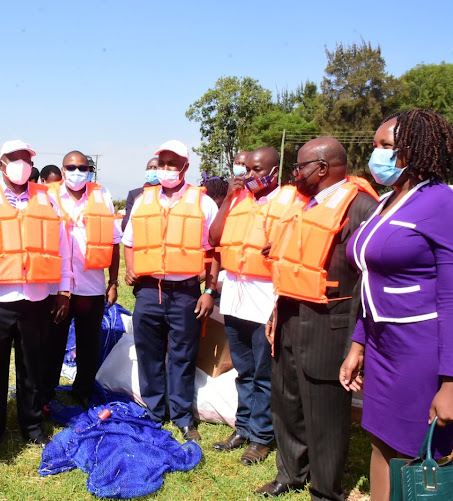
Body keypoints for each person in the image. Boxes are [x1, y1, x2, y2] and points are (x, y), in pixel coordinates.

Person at [339, 109, 453, 501]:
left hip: (423, 352)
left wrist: (452, 384)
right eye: (376, 144)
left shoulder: (444, 206)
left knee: (421, 453)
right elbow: (372, 283)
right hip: (382, 348)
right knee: (381, 443)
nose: (375, 154)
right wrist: (359, 345)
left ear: (415, 150)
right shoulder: (385, 204)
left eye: (386, 146)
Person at [256, 137, 378, 499]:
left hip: (330, 326)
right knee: (286, 402)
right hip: (290, 318)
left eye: (300, 166)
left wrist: (358, 340)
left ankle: (325, 490)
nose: (295, 173)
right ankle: (290, 473)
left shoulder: (361, 209)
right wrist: (276, 311)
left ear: (322, 168)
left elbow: (367, 283)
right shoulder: (303, 206)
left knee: (326, 415)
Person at [0, 139, 72, 459]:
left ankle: (32, 427)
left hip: (37, 299)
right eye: (14, 159)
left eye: (26, 158)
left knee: (32, 369)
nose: (21, 164)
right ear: (1, 164)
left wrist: (63, 292)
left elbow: (62, 249)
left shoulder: (46, 200)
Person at [122, 140, 218, 442]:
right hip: (149, 290)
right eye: (161, 163)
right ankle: (154, 410)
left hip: (187, 292)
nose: (165, 169)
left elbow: (215, 250)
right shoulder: (142, 200)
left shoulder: (203, 202)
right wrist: (129, 267)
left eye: (172, 164)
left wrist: (209, 291)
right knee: (148, 352)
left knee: (183, 354)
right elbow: (129, 241)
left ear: (185, 167)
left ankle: (181, 415)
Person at [210, 147, 294, 466]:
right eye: (246, 170)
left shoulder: (288, 201)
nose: (251, 176)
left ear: (275, 172)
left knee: (263, 370)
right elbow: (215, 237)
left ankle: (261, 436)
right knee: (243, 369)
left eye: (258, 170)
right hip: (234, 293)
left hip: (265, 294)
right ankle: (242, 428)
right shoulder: (238, 201)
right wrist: (230, 198)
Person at [43, 150, 122, 408]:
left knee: (89, 343)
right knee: (53, 342)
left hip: (91, 285)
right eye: (71, 167)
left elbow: (114, 242)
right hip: (56, 286)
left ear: (89, 171)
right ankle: (47, 390)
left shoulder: (103, 197)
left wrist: (113, 282)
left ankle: (83, 389)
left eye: (82, 167)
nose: (76, 172)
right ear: (63, 170)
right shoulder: (48, 195)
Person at [122, 157, 159, 231]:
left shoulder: (168, 194)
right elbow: (125, 226)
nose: (152, 170)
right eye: (150, 168)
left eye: (155, 168)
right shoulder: (134, 194)